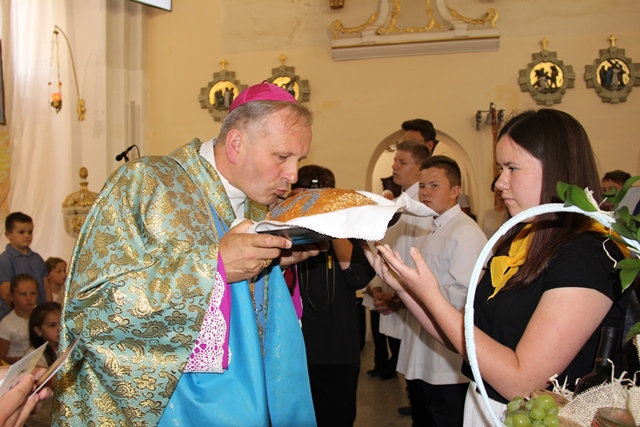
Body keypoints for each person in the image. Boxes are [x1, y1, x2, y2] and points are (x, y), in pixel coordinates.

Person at [54, 83, 323, 427]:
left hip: (250, 401)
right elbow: (90, 309)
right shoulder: (146, 183)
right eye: (282, 157)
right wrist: (213, 267)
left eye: (299, 160)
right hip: (176, 409)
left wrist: (277, 264)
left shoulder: (258, 205)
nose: (293, 175)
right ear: (236, 144)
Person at [367, 109, 631, 425]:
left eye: (512, 168)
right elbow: (463, 338)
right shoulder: (517, 241)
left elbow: (523, 382)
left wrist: (432, 296)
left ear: (556, 169)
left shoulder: (589, 253)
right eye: (500, 169)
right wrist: (403, 287)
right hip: (484, 407)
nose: (499, 182)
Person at [397, 156, 486, 426]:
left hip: (448, 358)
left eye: (434, 186)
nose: (425, 192)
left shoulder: (465, 232)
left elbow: (466, 295)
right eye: (422, 186)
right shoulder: (433, 228)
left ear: (455, 191)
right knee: (427, 414)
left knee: (447, 416)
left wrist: (417, 294)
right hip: (428, 344)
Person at [290, 165, 375, 427]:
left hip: (337, 350)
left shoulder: (346, 232)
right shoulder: (282, 231)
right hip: (296, 351)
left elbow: (357, 278)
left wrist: (330, 217)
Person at [368, 139, 432, 383]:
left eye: (402, 162)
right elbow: (387, 247)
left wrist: (397, 297)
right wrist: (378, 288)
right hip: (394, 297)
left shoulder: (421, 206)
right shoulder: (398, 203)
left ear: (419, 169)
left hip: (408, 301)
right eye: (395, 160)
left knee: (419, 380)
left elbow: (419, 256)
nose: (394, 166)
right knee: (408, 376)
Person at [0, 213, 50, 321]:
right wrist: (22, 313)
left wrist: (48, 309)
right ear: (8, 235)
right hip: (16, 316)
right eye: (21, 232)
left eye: (30, 232)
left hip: (38, 315)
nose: (27, 235)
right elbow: (6, 293)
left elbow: (46, 285)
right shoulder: (5, 260)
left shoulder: (37, 258)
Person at [23, 301, 61, 427]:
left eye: (62, 322)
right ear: (38, 330)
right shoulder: (35, 357)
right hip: (42, 416)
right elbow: (57, 385)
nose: (60, 329)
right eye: (52, 325)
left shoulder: (65, 347)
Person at [0, 274, 39, 364]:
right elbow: (2, 357)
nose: (29, 298)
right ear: (11, 296)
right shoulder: (6, 324)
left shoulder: (43, 315)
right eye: (23, 294)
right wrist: (20, 360)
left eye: (33, 293)